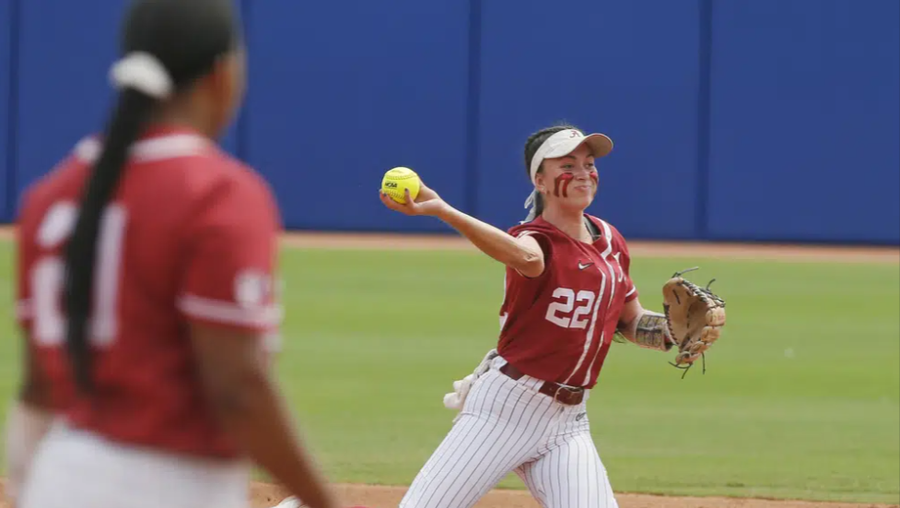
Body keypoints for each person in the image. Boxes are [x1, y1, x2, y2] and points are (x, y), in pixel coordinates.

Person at [5, 1, 341, 507]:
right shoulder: (219, 193)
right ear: (222, 75)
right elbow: (238, 390)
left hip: (61, 472)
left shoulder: (50, 196)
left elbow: (38, 388)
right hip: (171, 485)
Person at [377, 124, 680, 507]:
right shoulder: (536, 239)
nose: (584, 172)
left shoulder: (611, 241)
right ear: (540, 180)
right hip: (507, 409)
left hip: (568, 423)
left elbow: (629, 321)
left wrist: (674, 331)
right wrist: (444, 210)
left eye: (589, 163)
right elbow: (524, 256)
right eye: (568, 165)